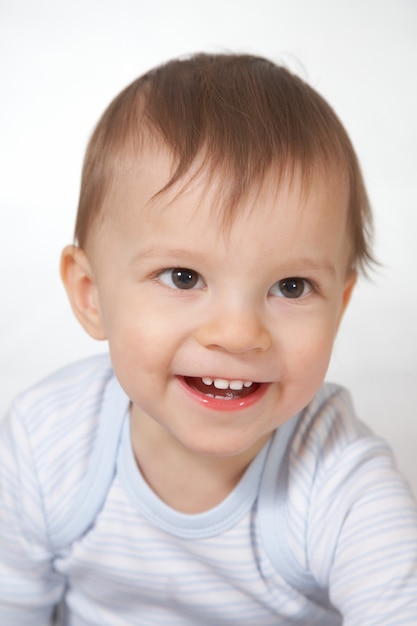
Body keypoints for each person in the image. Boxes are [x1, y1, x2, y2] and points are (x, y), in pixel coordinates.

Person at [1, 53, 416, 626]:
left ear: (339, 307)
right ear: (91, 293)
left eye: (291, 286)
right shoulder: (48, 445)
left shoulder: (337, 480)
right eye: (183, 277)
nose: (238, 334)